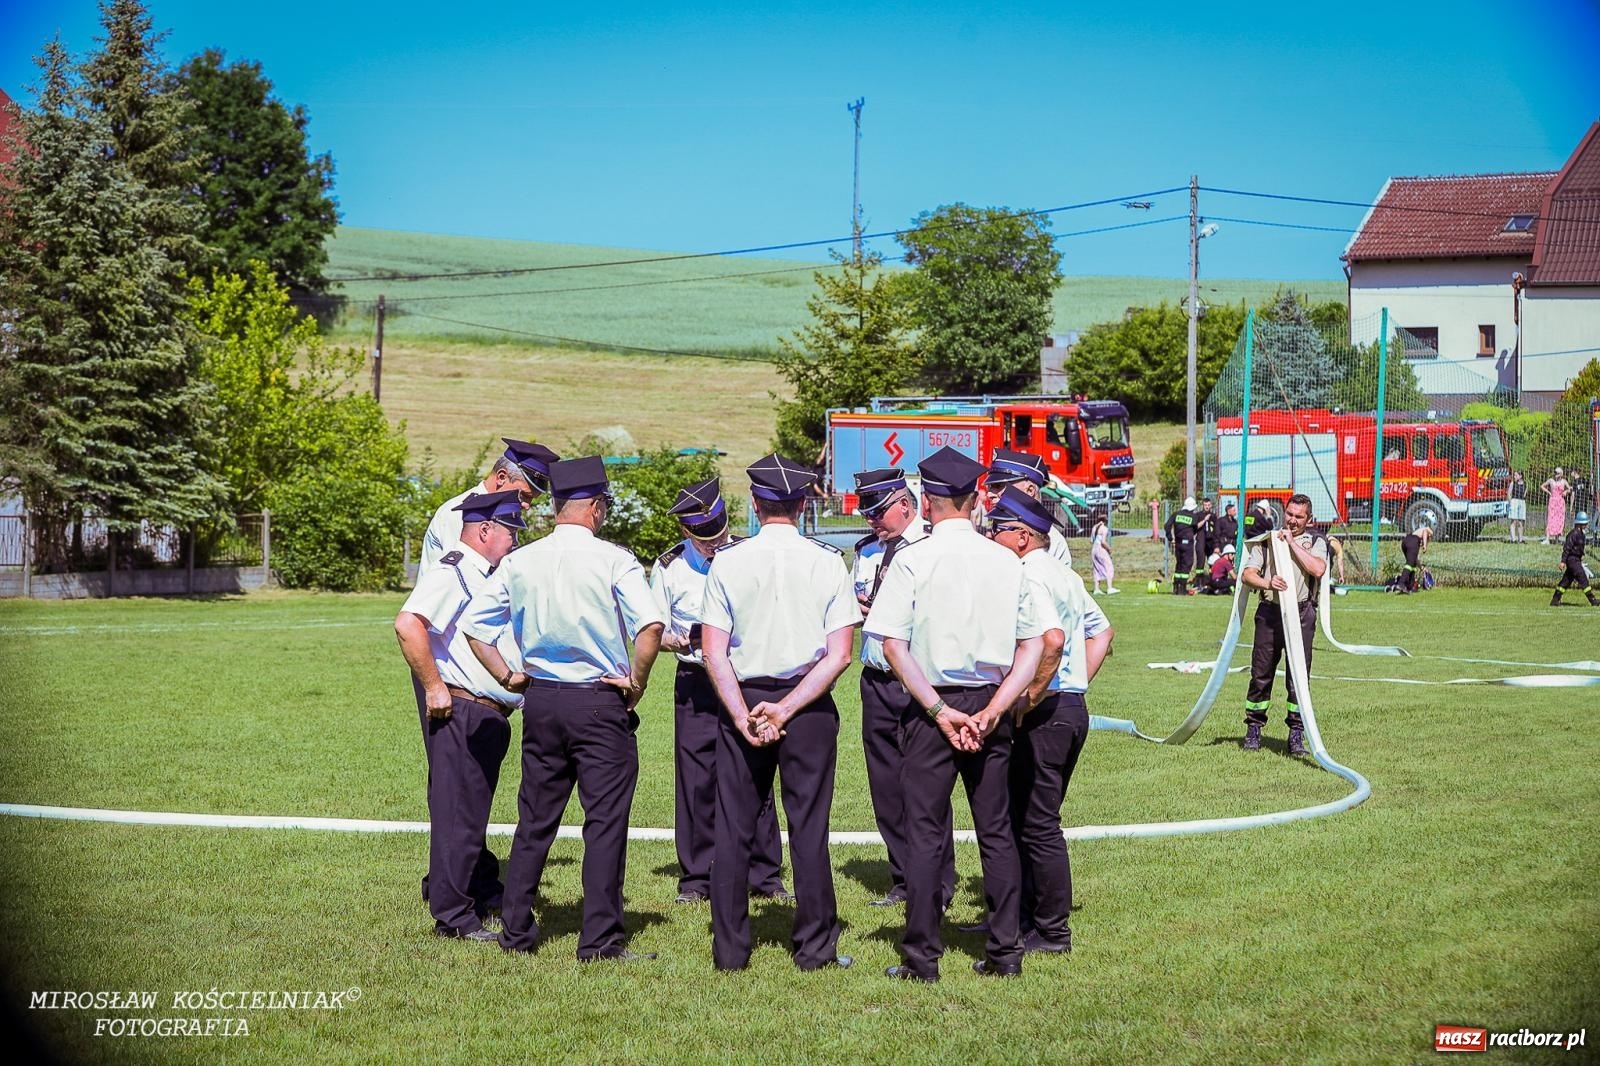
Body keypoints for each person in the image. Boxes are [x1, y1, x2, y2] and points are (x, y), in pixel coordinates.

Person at [463, 456, 665, 961]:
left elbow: (474, 628)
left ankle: (515, 931)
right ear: (595, 507)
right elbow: (651, 628)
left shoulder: (519, 560)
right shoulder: (614, 559)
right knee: (604, 822)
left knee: (535, 819)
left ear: (556, 507)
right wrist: (636, 682)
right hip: (599, 700)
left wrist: (509, 677)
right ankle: (598, 940)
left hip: (542, 700)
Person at [864, 446, 1045, 983]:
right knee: (996, 832)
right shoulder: (1004, 558)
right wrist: (996, 707)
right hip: (988, 705)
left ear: (927, 499)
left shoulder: (913, 558)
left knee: (923, 834)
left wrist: (940, 710)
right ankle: (1005, 952)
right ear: (976, 499)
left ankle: (923, 957)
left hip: (929, 705)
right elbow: (1034, 645)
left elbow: (892, 645)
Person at [701, 453, 860, 972]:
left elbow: (712, 651)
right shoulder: (827, 561)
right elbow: (840, 654)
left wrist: (744, 712)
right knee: (808, 825)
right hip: (807, 702)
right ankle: (815, 946)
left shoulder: (727, 560)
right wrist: (786, 708)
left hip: (743, 698)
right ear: (803, 503)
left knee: (733, 826)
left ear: (755, 502)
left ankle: (730, 950)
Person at [649, 477, 789, 907]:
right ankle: (696, 876)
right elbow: (654, 631)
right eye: (704, 538)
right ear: (686, 533)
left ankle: (765, 873)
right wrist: (686, 639)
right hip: (696, 680)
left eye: (720, 534)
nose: (715, 544)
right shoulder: (669, 568)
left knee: (756, 772)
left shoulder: (750, 554)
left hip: (745, 679)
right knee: (696, 779)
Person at [394, 490, 525, 942]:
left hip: (484, 711)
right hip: (462, 707)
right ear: (485, 529)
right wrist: (433, 687)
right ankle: (453, 916)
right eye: (510, 531)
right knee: (457, 817)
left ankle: (465, 898)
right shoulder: (453, 569)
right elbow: (408, 624)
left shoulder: (481, 571)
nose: (513, 541)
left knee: (470, 815)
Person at [988, 486, 1112, 954]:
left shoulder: (1029, 576)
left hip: (1046, 712)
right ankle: (1020, 920)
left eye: (997, 529)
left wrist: (1032, 696)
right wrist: (1076, 684)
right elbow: (1101, 634)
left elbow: (1054, 640)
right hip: (1068, 706)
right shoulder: (1064, 575)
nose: (990, 535)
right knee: (1027, 818)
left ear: (1021, 537)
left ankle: (1052, 930)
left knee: (1037, 823)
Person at [849, 468, 955, 911]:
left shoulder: (932, 548)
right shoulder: (868, 551)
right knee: (886, 785)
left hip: (918, 680)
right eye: (868, 514)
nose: (873, 521)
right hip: (876, 679)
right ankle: (903, 876)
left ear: (905, 505)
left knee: (927, 787)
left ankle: (938, 882)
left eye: (878, 512)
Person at [1238, 493, 1328, 757]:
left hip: (1301, 613)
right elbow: (1247, 574)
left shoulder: (1316, 541)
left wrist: (1292, 544)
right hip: (1270, 612)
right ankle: (1254, 730)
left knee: (1298, 676)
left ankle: (1296, 735)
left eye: (1298, 517)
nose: (1292, 520)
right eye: (1289, 514)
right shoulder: (1268, 541)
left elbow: (1318, 569)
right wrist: (1267, 583)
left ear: (1308, 519)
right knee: (1261, 673)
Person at [420, 438, 558, 571]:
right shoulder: (460, 512)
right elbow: (461, 575)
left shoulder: (502, 512)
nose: (527, 505)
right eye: (524, 495)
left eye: (532, 498)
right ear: (501, 477)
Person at [981, 448, 1071, 564]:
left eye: (998, 486)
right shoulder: (988, 532)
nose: (989, 494)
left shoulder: (1053, 542)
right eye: (989, 487)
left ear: (1030, 490)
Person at [1550, 511, 1598, 607]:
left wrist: (1580, 558)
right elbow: (1567, 548)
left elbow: (1579, 549)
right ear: (1580, 524)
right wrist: (1563, 561)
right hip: (1572, 560)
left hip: (1576, 560)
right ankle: (1592, 600)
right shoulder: (1573, 534)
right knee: (1583, 579)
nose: (1586, 525)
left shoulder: (1582, 534)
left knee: (1566, 581)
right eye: (1585, 523)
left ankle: (1555, 599)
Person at [1164, 496, 1198, 596]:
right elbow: (1195, 529)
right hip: (1188, 544)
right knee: (1187, 564)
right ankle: (1182, 588)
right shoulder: (1193, 517)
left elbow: (1167, 526)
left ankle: (1176, 586)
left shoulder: (1176, 514)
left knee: (1179, 564)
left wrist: (1170, 538)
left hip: (1178, 544)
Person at [1191, 499, 1217, 593]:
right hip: (1201, 541)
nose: (1207, 506)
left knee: (1213, 562)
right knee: (1200, 563)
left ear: (1211, 506)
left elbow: (1216, 529)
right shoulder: (1198, 515)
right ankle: (1198, 582)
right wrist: (1204, 520)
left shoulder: (1213, 516)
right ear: (1203, 505)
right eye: (1205, 505)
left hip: (1210, 542)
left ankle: (1213, 582)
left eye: (1208, 505)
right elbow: (1195, 527)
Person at [1540, 467, 1570, 545]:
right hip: (1553, 501)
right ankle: (1547, 538)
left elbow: (1569, 488)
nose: (1556, 474)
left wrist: (1566, 491)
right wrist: (1549, 492)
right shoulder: (1551, 480)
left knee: (1559, 519)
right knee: (1551, 518)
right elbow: (1542, 486)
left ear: (1561, 474)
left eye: (1557, 472)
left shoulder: (1564, 481)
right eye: (1555, 472)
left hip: (1560, 502)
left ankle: (1557, 539)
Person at [1397, 526, 1432, 593]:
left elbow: (1415, 559)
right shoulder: (1428, 532)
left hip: (1405, 541)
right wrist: (1425, 545)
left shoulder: (1416, 541)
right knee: (1410, 564)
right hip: (1412, 540)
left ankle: (1410, 585)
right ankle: (1401, 583)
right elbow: (1425, 530)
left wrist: (1421, 567)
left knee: (1412, 564)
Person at [1090, 513, 1118, 595]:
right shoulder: (1104, 529)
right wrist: (1109, 549)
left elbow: (1091, 540)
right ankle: (1109, 588)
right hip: (1100, 549)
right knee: (1108, 566)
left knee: (1096, 568)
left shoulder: (1094, 527)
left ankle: (1096, 588)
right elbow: (1103, 542)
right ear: (1106, 520)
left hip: (1094, 549)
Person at [1507, 470, 1528, 544]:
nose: (1514, 477)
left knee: (1521, 521)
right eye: (1514, 475)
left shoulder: (1525, 484)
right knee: (1514, 521)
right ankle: (1513, 539)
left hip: (1522, 501)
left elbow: (1525, 494)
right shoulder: (1513, 483)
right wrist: (1511, 502)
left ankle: (1521, 539)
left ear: (1520, 476)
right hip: (1514, 501)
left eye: (1516, 475)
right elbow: (1509, 494)